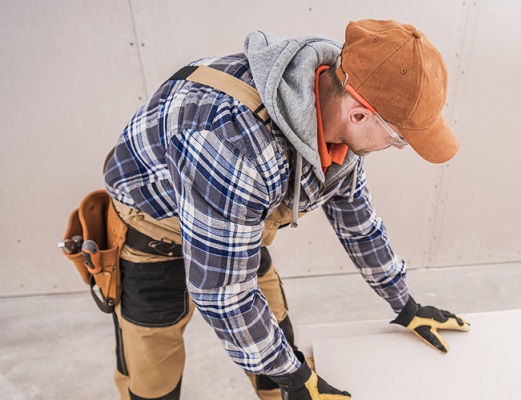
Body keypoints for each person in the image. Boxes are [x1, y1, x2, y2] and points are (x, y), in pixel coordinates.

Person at [103, 19, 470, 400]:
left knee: (279, 355)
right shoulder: (233, 144)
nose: (397, 148)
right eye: (399, 138)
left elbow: (358, 223)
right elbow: (223, 292)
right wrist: (294, 376)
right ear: (358, 114)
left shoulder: (338, 100)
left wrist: (404, 302)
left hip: (231, 217)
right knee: (152, 376)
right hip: (155, 233)